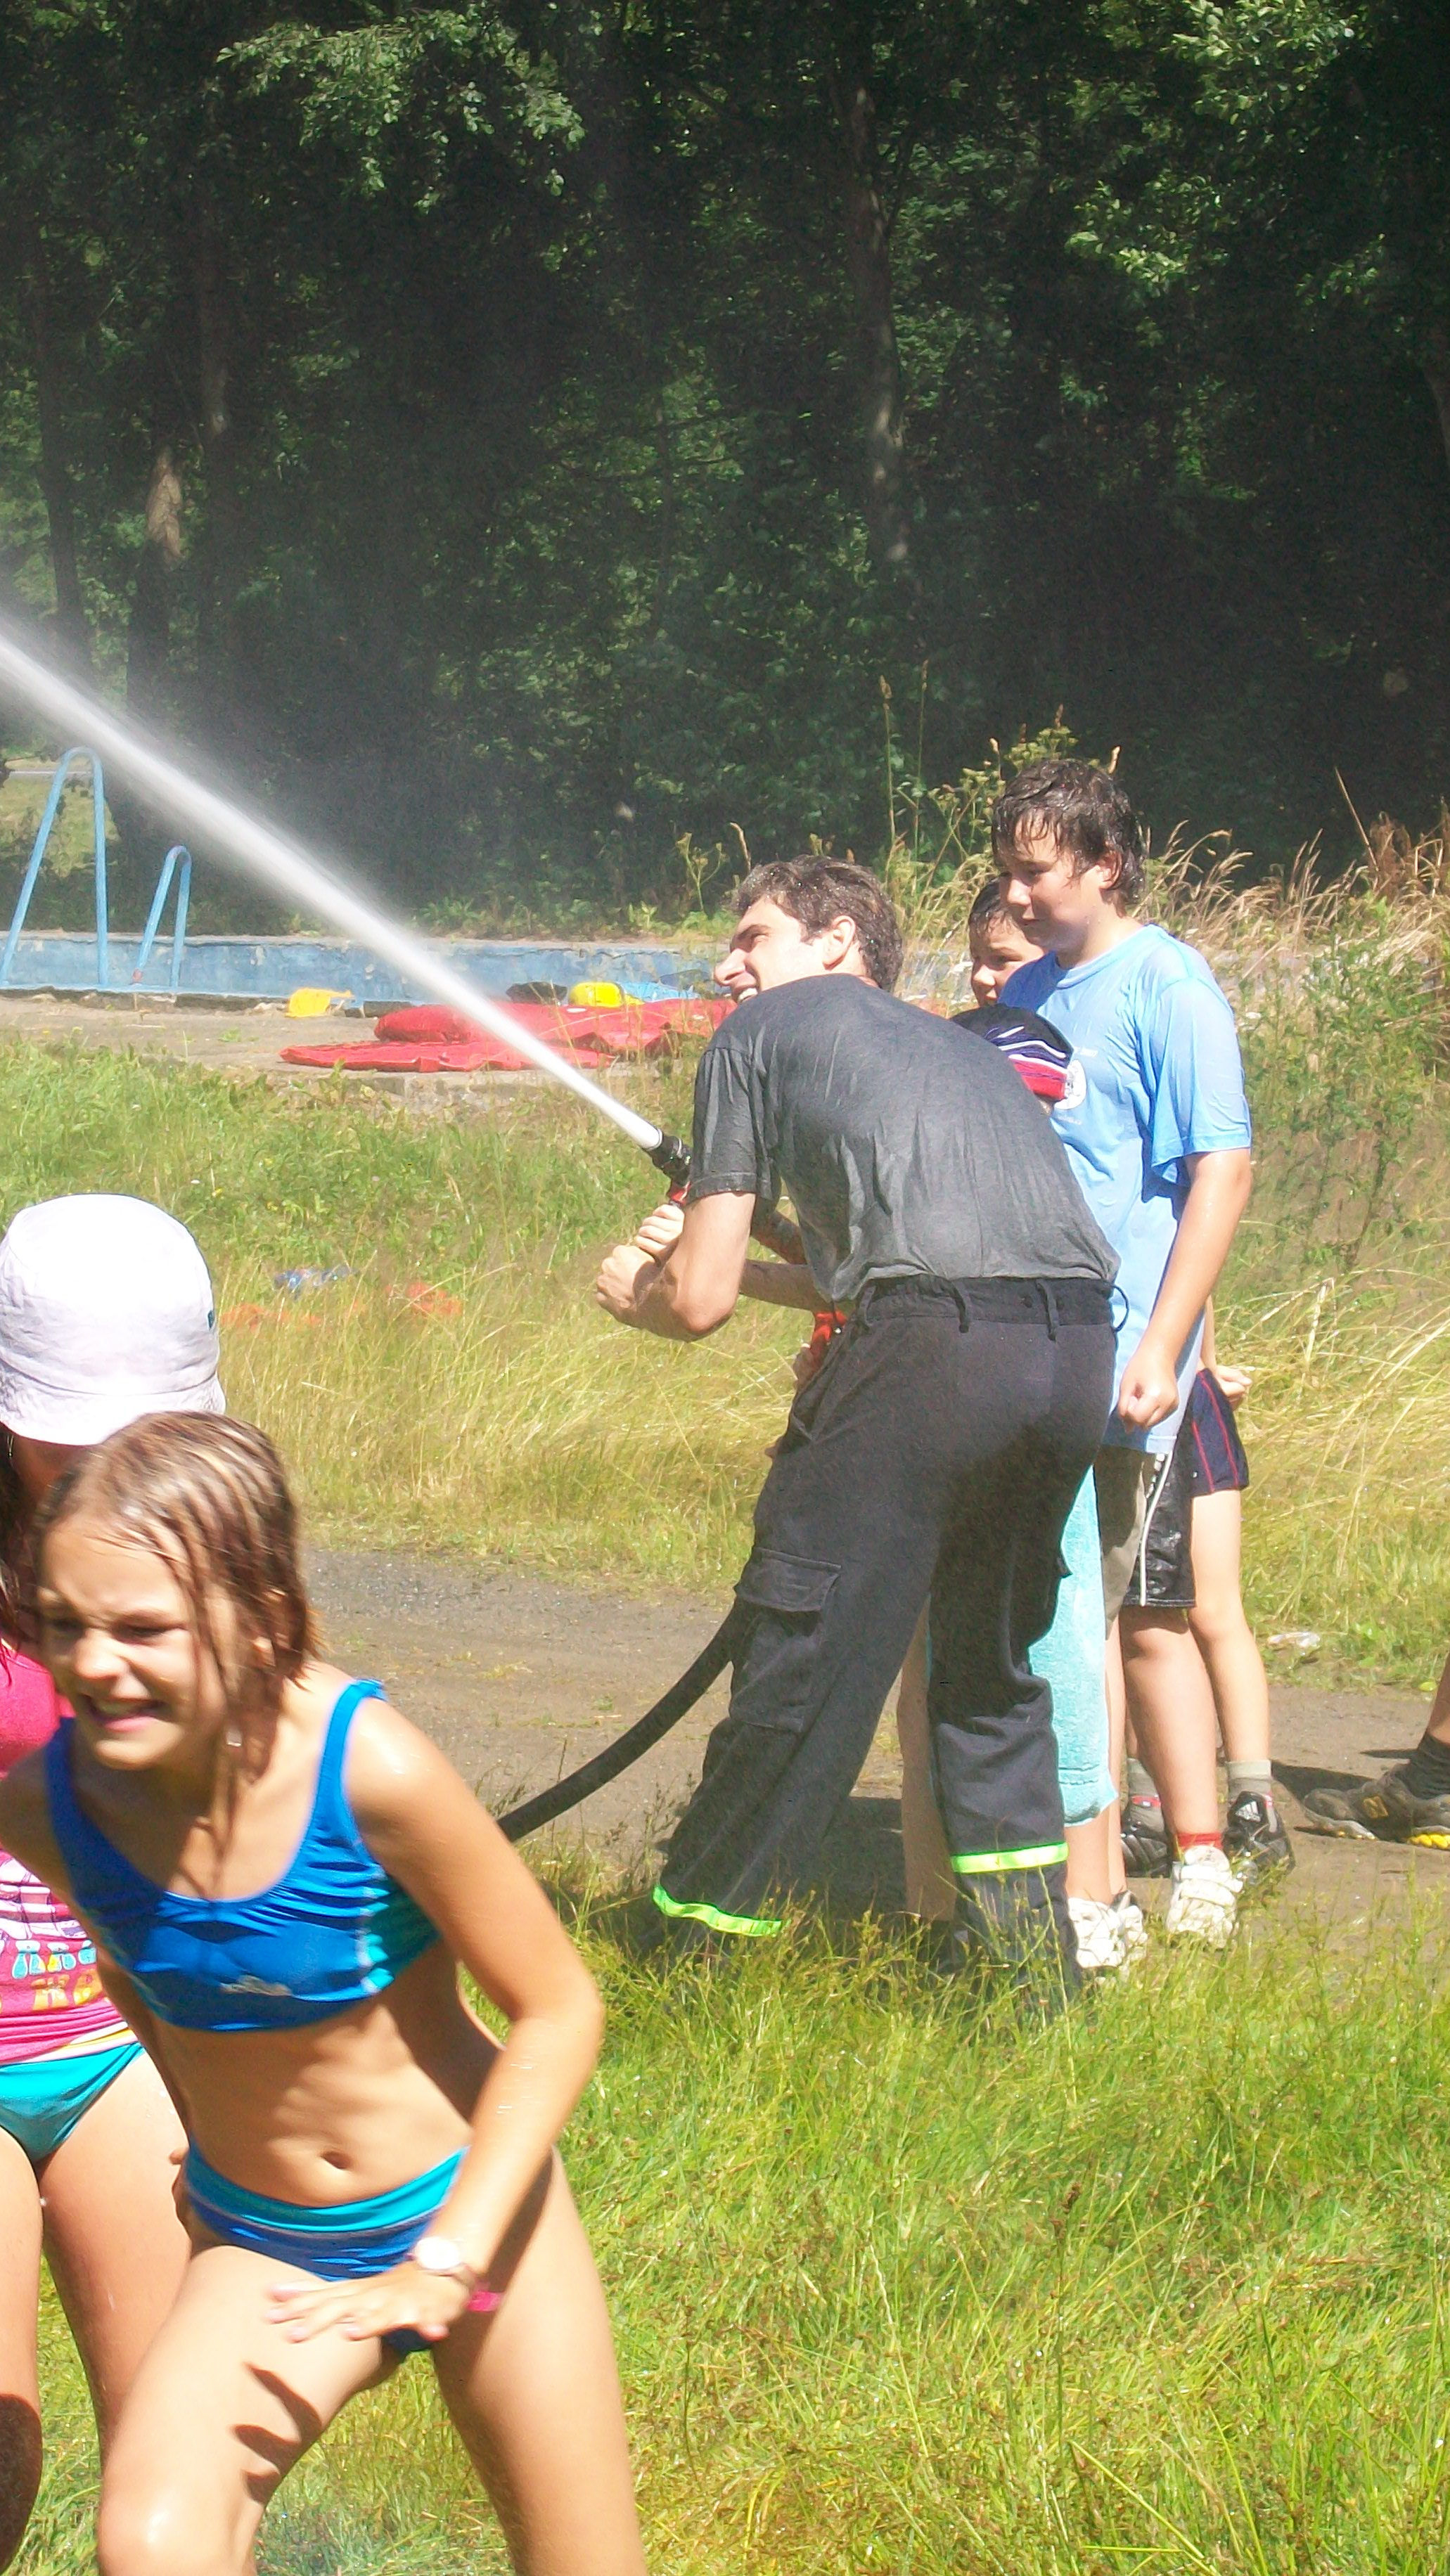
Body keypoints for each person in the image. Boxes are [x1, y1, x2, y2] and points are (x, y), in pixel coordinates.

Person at [0, 1412, 645, 2576]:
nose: (92, 1662)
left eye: (141, 1627)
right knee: (152, 2543)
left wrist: (449, 2255)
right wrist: (204, 2138)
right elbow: (128, 1966)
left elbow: (559, 2007)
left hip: (472, 2212)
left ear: (260, 1618)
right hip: (267, 2241)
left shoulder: (370, 1769)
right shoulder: (55, 1806)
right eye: (64, 1623)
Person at [596, 856, 1119, 1988]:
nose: (726, 966)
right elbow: (875, 1272)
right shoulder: (955, 1047)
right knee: (988, 1670)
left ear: (836, 940)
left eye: (751, 937)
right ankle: (1027, 1975)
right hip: (1073, 1347)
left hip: (930, 1353)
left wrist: (638, 1296)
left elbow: (700, 1300)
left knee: (802, 1649)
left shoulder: (756, 1035)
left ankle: (691, 1954)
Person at [0, 1196, 224, 2568]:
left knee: (186, 2477)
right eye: (72, 1433)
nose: (108, 1460)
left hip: (116, 2034)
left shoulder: (207, 1536)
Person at [998, 760, 1254, 1946]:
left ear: (1104, 865)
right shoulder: (1029, 987)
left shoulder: (1167, 984)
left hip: (1122, 1358)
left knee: (1111, 1616)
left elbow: (1220, 1171)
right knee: (1053, 1619)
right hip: (1029, 1346)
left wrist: (1166, 1345)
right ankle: (1081, 1875)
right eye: (1006, 871)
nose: (1017, 894)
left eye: (1035, 871)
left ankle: (1136, 1882)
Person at [894, 1001, 1141, 1973]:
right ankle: (947, 1918)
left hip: (1034, 1462)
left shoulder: (1044, 1198)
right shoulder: (945, 1183)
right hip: (964, 1445)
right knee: (954, 1677)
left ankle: (1080, 1902)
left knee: (1053, 1663)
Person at [1119, 1311, 1293, 1888]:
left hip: (1178, 1402)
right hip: (1160, 1393)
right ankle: (1158, 1806)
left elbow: (1194, 1281)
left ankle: (1249, 1804)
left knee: (1196, 1614)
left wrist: (1206, 1365)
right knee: (1144, 1613)